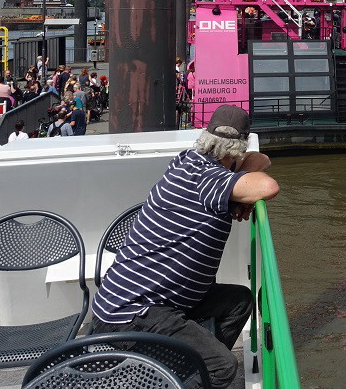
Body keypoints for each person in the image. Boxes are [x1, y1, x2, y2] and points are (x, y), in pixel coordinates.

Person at [91, 105, 279, 389]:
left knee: (239, 301)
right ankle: (192, 374)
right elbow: (267, 185)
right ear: (237, 150)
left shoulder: (187, 160)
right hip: (133, 315)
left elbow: (258, 159)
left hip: (155, 301)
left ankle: (185, 369)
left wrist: (237, 196)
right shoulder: (211, 180)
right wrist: (241, 193)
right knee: (223, 368)